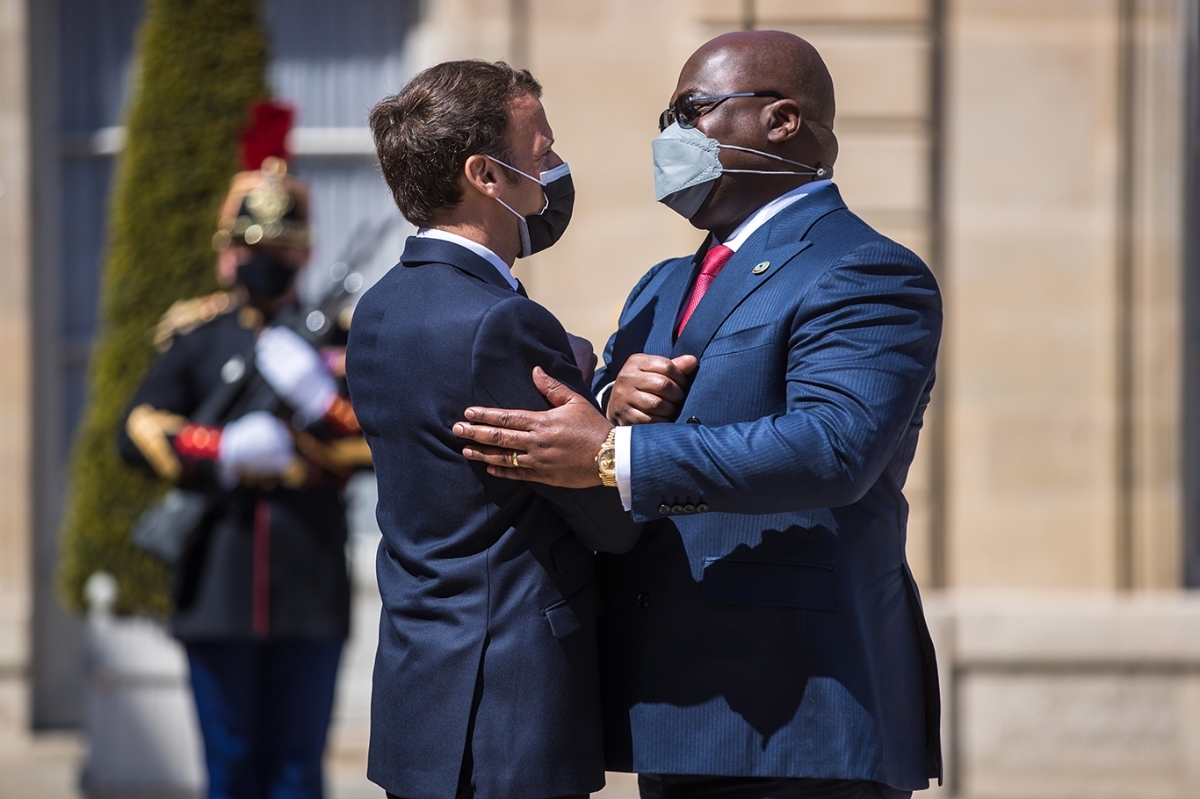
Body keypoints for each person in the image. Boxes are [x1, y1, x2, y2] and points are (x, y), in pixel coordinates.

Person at [452, 31, 943, 799]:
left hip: (801, 705)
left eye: (692, 111)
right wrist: (615, 403)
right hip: (678, 699)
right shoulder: (661, 282)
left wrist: (618, 457)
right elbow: (610, 424)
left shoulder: (865, 269)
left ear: (781, 121)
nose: (670, 139)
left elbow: (836, 447)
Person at [345, 61, 640, 799]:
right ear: (485, 173)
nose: (551, 170)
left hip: (422, 691)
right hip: (508, 703)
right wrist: (607, 410)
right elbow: (608, 516)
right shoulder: (503, 320)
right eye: (539, 153)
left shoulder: (381, 305)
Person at [118, 102, 369, 799]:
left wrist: (317, 405)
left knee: (297, 771)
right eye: (254, 248)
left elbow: (378, 443)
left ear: (305, 252)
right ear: (229, 249)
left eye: (281, 249)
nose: (267, 261)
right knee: (230, 770)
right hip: (217, 583)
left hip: (307, 583)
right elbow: (135, 430)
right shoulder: (197, 337)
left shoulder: (335, 341)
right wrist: (221, 447)